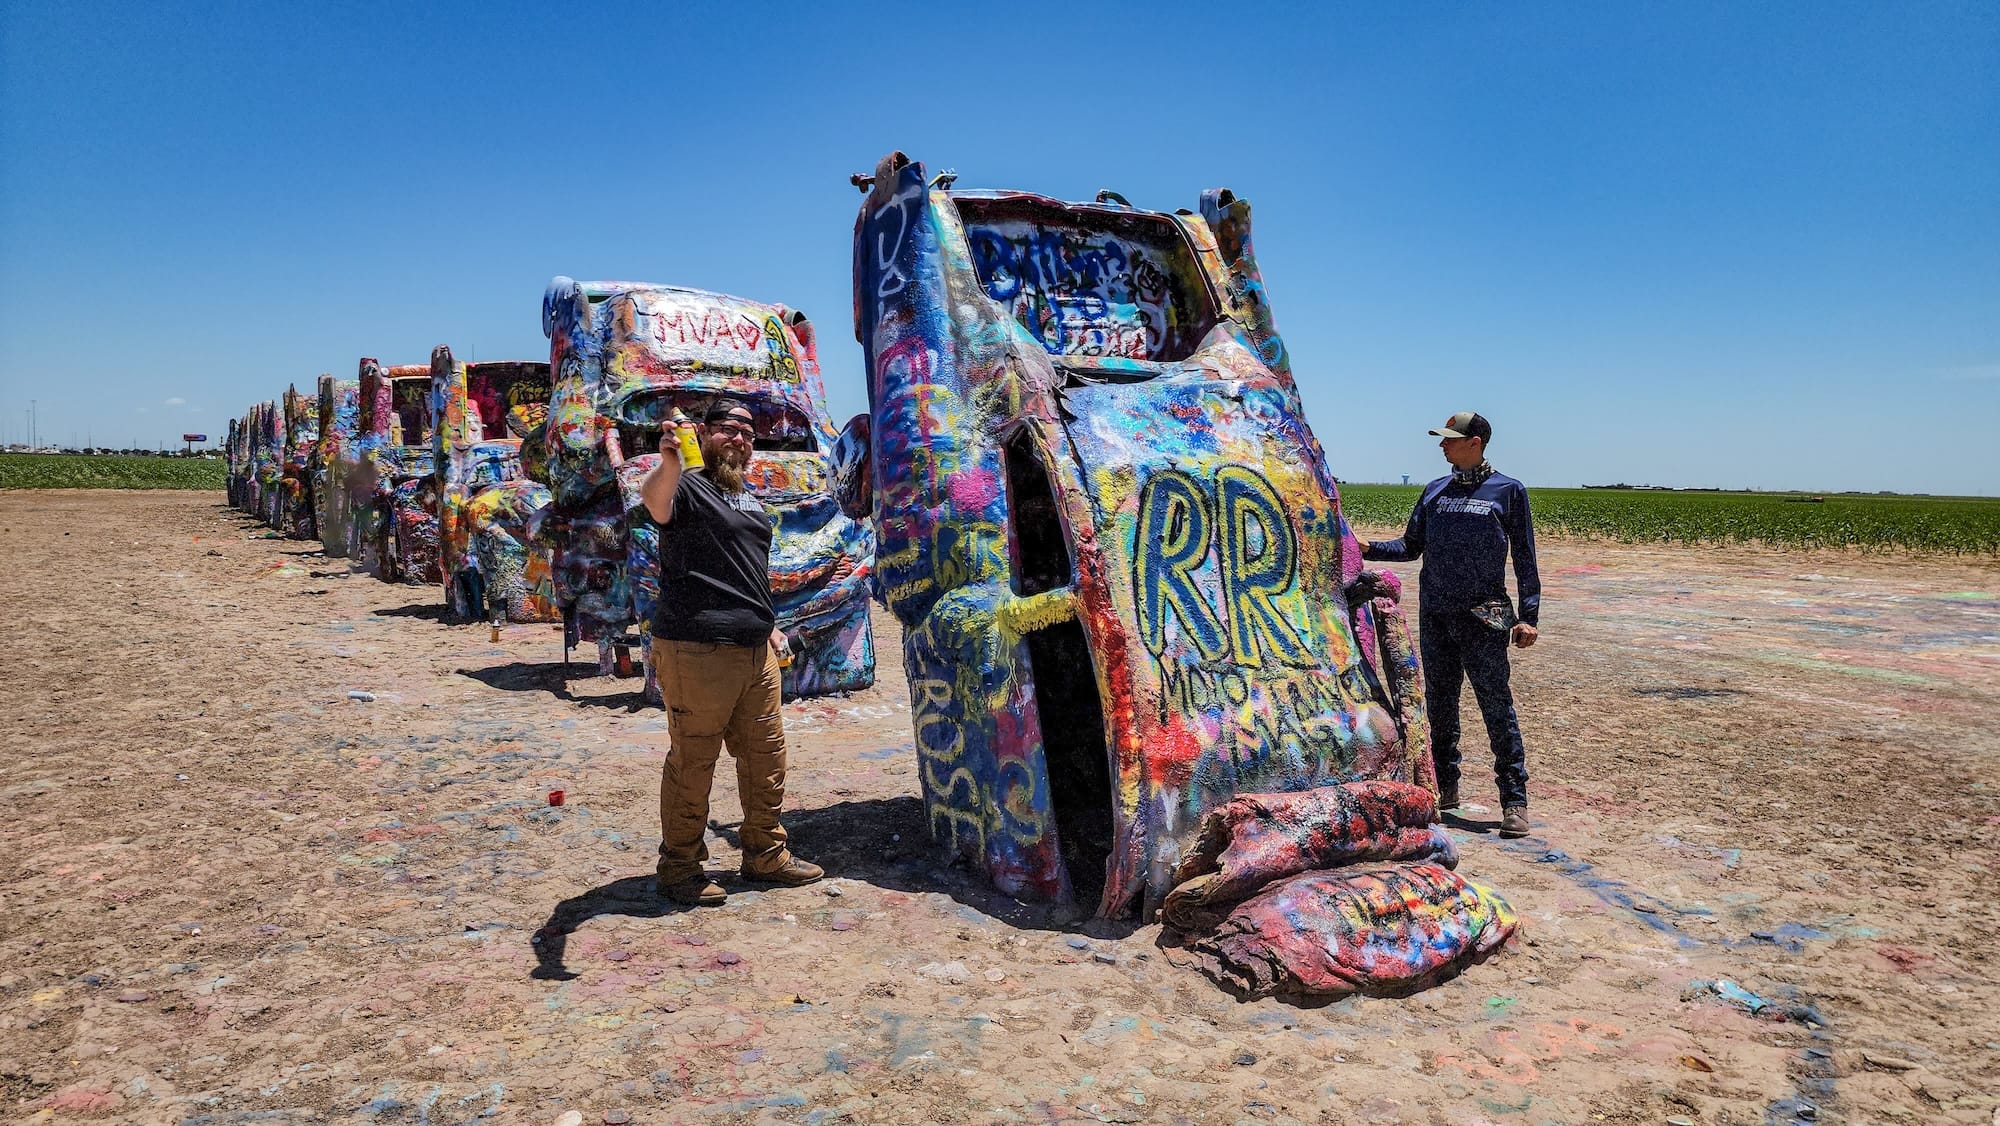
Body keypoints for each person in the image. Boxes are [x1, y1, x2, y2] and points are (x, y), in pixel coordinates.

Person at [640, 401, 822, 904]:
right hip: (697, 648)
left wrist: (768, 626)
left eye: (747, 432)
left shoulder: (747, 497)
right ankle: (680, 867)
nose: (739, 439)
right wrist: (670, 461)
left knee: (766, 757)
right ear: (704, 433)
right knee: (694, 761)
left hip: (755, 650)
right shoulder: (686, 485)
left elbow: (746, 570)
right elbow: (654, 501)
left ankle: (765, 853)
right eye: (727, 429)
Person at [1362, 411, 1541, 838]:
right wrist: (1364, 546)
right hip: (1437, 615)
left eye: (1450, 439)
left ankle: (1514, 800)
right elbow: (1410, 547)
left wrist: (1528, 616)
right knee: (1440, 705)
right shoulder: (1435, 491)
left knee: (1496, 707)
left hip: (1486, 616)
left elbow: (1525, 558)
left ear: (1475, 442)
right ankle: (1444, 788)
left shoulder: (1508, 491)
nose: (1442, 445)